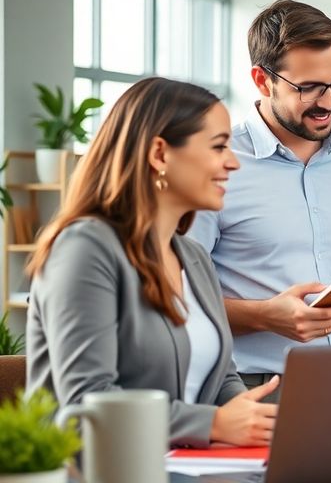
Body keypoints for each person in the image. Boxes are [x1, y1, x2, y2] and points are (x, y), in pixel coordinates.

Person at [26, 77, 277, 448]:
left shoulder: (192, 257)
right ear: (160, 154)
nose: (232, 162)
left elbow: (221, 378)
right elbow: (85, 402)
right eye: (219, 146)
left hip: (188, 468)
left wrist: (256, 418)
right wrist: (214, 424)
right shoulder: (85, 249)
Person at [189, 0, 331, 403]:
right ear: (263, 80)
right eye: (309, 88)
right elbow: (178, 295)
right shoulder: (214, 164)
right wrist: (265, 315)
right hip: (251, 387)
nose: (330, 101)